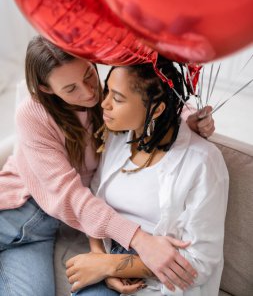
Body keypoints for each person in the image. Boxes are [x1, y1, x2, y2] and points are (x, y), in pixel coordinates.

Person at [0, 35, 215, 296]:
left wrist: (189, 119)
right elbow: (70, 195)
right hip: (13, 212)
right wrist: (139, 240)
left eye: (89, 74)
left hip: (43, 231)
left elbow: (151, 100)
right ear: (47, 89)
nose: (89, 91)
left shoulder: (106, 103)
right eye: (71, 89)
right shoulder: (32, 114)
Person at [66, 58, 229, 296]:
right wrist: (100, 258)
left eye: (118, 98)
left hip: (162, 285)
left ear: (157, 108)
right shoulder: (118, 138)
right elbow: (94, 204)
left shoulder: (203, 162)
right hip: (109, 263)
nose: (105, 104)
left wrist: (110, 265)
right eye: (107, 90)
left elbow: (200, 265)